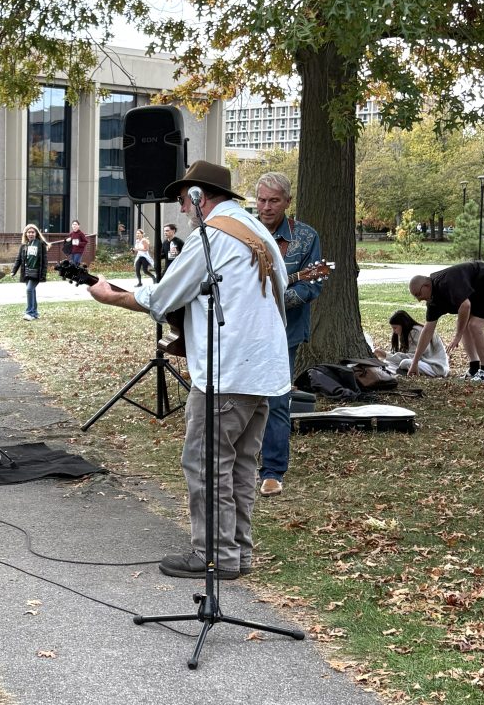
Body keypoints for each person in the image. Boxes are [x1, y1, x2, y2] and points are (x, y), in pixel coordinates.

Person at [87, 160, 289, 580]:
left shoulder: (211, 236)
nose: (180, 208)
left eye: (182, 199)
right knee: (240, 466)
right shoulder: (260, 234)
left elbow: (161, 298)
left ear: (199, 197)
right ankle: (237, 553)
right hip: (264, 372)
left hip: (226, 372)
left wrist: (109, 296)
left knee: (205, 462)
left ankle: (212, 554)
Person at [253, 171, 322, 498]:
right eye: (262, 200)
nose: (266, 207)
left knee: (277, 400)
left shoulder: (306, 237)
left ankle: (272, 470)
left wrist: (274, 301)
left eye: (274, 201)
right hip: (243, 331)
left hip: (285, 331)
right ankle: (239, 461)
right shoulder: (242, 231)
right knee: (241, 398)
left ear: (287, 202)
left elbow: (313, 285)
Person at [407, 261, 484, 384]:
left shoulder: (446, 282)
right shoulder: (433, 300)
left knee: (474, 325)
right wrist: (415, 363)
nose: (419, 299)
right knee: (466, 324)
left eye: (418, 294)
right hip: (481, 291)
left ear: (426, 286)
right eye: (416, 297)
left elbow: (465, 305)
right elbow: (427, 330)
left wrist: (458, 335)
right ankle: (474, 368)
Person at [384, 310, 449, 377]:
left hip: (435, 367)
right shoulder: (406, 333)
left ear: (403, 324)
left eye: (395, 328)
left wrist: (386, 355)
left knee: (405, 363)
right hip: (422, 363)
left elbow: (414, 356)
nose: (394, 331)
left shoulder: (416, 331)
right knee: (386, 362)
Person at [11, 224, 49, 320]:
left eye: (32, 232)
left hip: (36, 272)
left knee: (29, 290)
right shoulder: (24, 245)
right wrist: (13, 271)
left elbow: (44, 261)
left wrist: (43, 274)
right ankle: (35, 313)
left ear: (36, 233)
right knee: (32, 291)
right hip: (27, 272)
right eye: (29, 232)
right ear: (26, 234)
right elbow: (18, 259)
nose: (30, 234)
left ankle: (29, 313)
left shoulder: (40, 244)